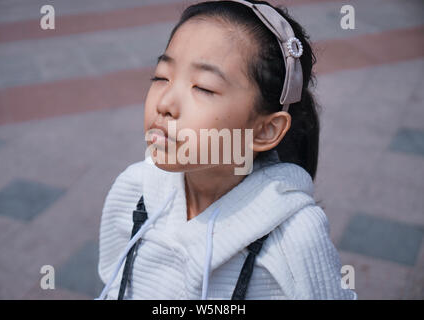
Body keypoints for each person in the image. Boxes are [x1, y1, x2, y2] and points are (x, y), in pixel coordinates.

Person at [96, 0, 357, 300]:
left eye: (203, 88)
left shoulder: (295, 238)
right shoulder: (133, 190)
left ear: (265, 130)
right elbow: (113, 285)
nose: (164, 103)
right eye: (161, 77)